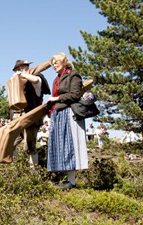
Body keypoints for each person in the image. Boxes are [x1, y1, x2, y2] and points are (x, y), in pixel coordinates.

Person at [46, 52, 88, 189]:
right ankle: (63, 179)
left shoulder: (73, 75)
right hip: (57, 113)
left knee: (69, 146)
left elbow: (75, 95)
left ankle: (72, 182)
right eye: (52, 64)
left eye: (56, 62)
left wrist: (57, 99)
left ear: (64, 62)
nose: (54, 65)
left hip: (69, 112)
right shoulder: (56, 79)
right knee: (59, 147)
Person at [9, 59, 50, 167]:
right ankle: (15, 168)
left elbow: (36, 81)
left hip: (31, 118)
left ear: (24, 69)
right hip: (18, 118)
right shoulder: (18, 84)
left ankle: (33, 173)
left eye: (19, 69)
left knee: (30, 147)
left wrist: (22, 74)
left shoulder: (37, 77)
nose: (16, 73)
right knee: (10, 143)